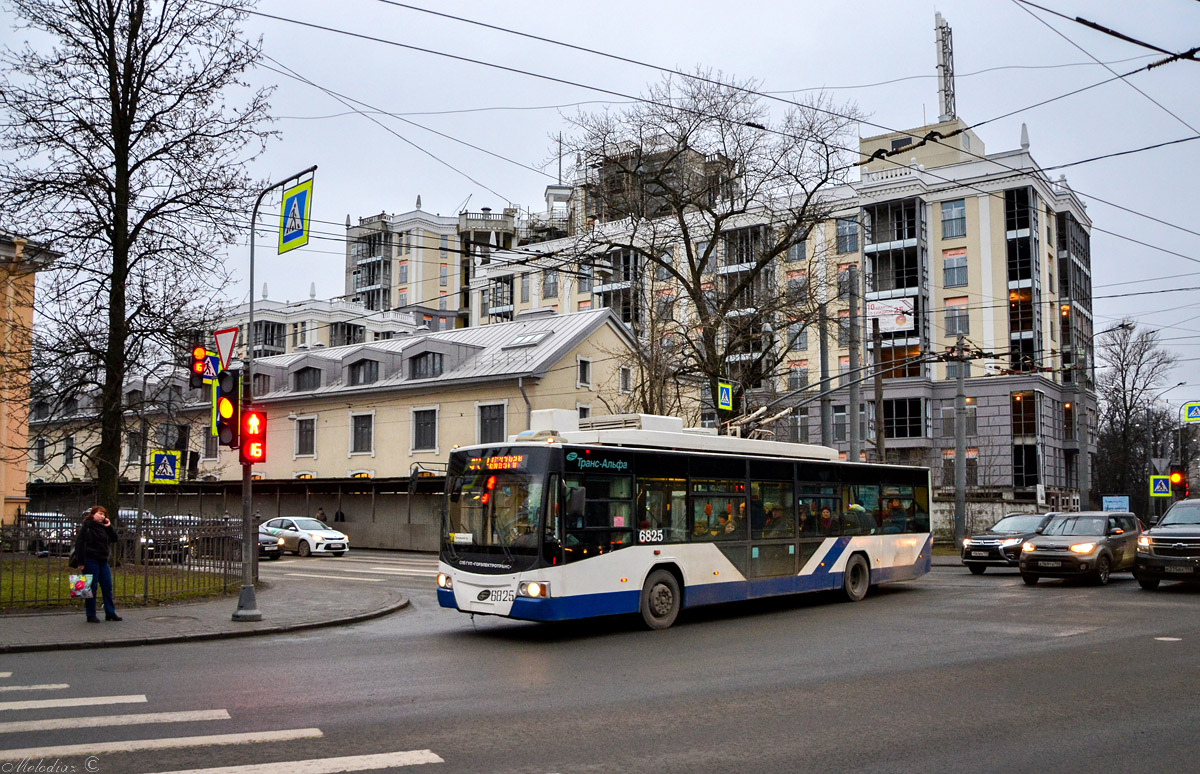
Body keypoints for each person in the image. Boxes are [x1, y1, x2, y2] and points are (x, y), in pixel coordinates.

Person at [72, 506, 121, 623]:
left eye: (104, 514)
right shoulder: (87, 526)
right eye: (100, 514)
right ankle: (90, 614)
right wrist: (81, 562)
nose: (102, 516)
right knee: (90, 587)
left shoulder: (104, 527)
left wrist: (109, 527)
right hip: (90, 559)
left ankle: (110, 612)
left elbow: (115, 538)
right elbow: (80, 543)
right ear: (93, 514)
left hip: (103, 560)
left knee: (107, 586)